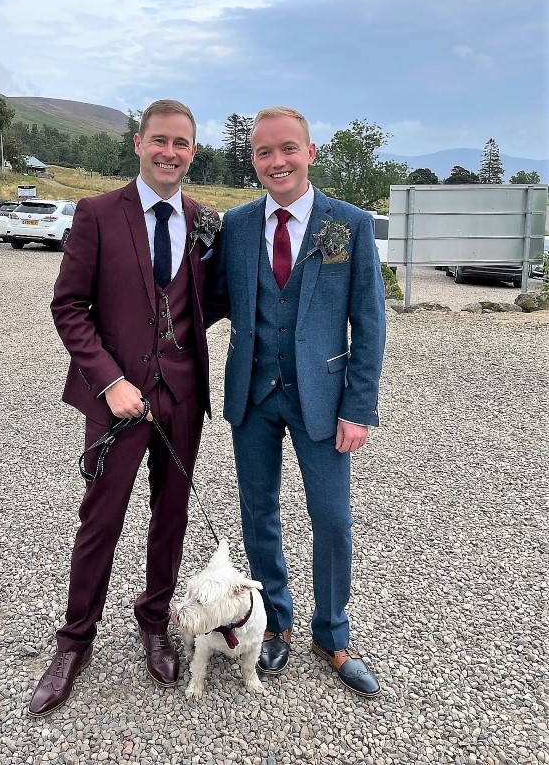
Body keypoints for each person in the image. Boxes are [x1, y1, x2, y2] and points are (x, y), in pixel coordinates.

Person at [29, 100, 220, 717]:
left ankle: (154, 622)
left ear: (193, 151)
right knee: (101, 518)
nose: (170, 152)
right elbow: (69, 307)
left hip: (183, 395)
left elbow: (205, 302)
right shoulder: (96, 213)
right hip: (118, 400)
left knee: (171, 517)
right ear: (139, 144)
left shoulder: (202, 220)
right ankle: (74, 641)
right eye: (160, 140)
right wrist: (109, 380)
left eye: (182, 144)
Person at [207, 106, 386, 696]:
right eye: (263, 152)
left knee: (332, 519)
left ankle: (332, 634)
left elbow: (369, 322)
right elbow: (205, 303)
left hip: (322, 399)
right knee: (259, 516)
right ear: (253, 159)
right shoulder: (236, 225)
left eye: (287, 149)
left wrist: (358, 407)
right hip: (253, 397)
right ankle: (275, 625)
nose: (276, 161)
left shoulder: (347, 225)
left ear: (310, 153)